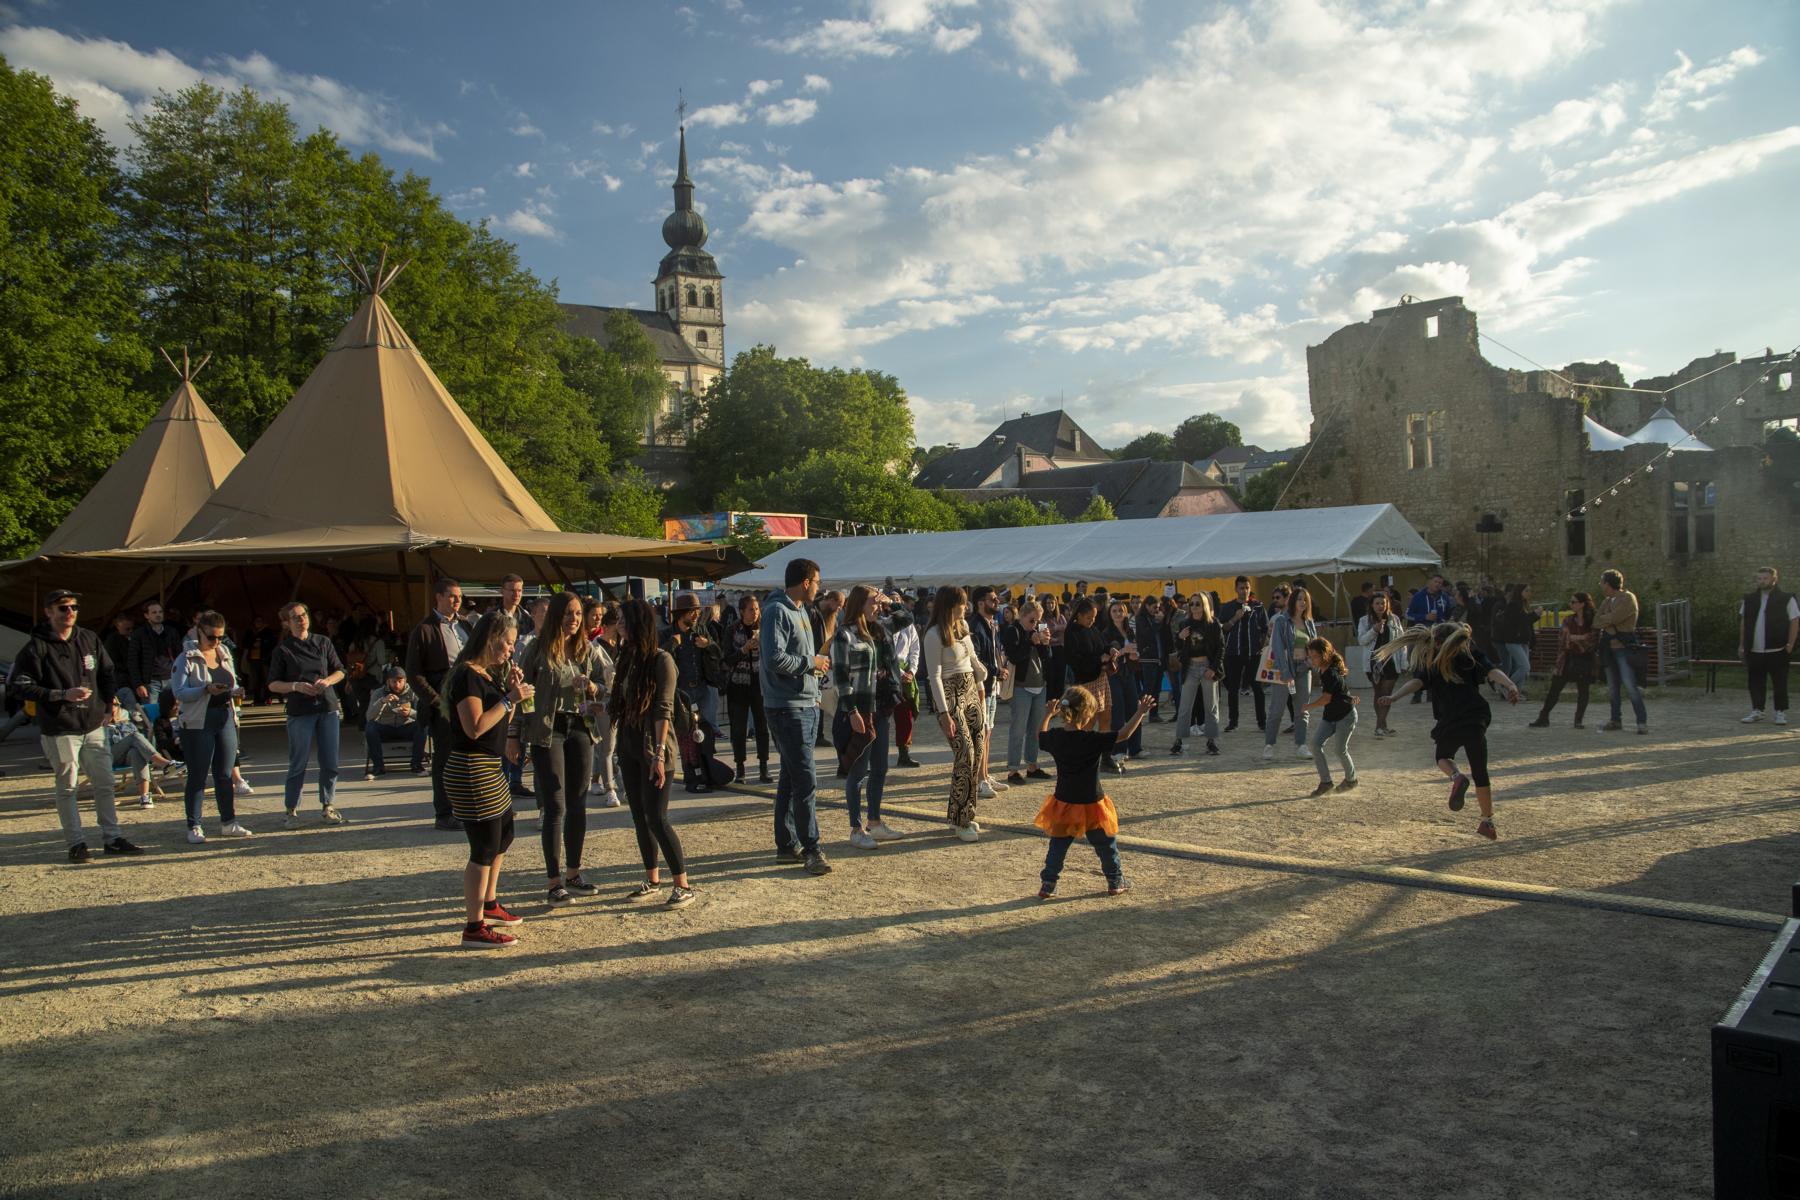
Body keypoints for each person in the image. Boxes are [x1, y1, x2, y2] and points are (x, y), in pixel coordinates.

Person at [10, 590, 144, 861]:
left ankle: (112, 838)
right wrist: (60, 694)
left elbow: (107, 673)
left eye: (74, 607)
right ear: (49, 612)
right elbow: (19, 686)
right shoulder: (37, 647)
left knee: (105, 783)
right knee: (68, 787)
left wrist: (107, 706)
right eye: (63, 608)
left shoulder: (88, 638)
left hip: (93, 725)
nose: (70, 612)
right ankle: (76, 843)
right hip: (60, 728)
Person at [1376, 623, 1522, 840]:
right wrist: (1511, 685)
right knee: (1480, 771)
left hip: (1451, 719)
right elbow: (1492, 671)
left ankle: (1457, 777)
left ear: (1435, 642)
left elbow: (1416, 683)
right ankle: (1487, 821)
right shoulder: (1470, 655)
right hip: (1476, 716)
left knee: (1443, 757)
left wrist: (1394, 697)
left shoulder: (1433, 661)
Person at [443, 611, 533, 948]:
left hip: (488, 767)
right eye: (508, 643)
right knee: (483, 846)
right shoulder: (467, 675)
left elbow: (499, 721)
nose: (511, 650)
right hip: (471, 768)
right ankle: (474, 926)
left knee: (504, 834)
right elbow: (475, 727)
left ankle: (490, 903)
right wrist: (510, 698)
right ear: (491, 638)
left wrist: (510, 693)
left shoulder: (486, 674)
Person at [511, 591, 604, 906]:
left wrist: (592, 687)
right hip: (547, 731)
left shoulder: (586, 649)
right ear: (556, 616)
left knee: (578, 803)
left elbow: (604, 684)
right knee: (555, 806)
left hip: (580, 727)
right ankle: (554, 883)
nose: (574, 619)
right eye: (568, 613)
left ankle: (573, 874)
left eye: (578, 614)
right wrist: (515, 735)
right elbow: (522, 694)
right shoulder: (537, 648)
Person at [609, 599, 699, 905]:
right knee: (640, 817)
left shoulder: (662, 660)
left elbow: (663, 710)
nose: (619, 624)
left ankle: (683, 885)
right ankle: (652, 879)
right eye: (618, 619)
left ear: (639, 622)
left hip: (655, 748)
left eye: (623, 619)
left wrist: (659, 755)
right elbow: (621, 702)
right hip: (629, 744)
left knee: (657, 818)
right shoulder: (627, 657)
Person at [1033, 687, 1154, 900]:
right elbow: (1124, 734)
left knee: (1058, 846)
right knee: (1106, 846)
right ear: (1087, 714)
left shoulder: (1056, 737)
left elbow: (1040, 736)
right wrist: (1140, 712)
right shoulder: (1092, 739)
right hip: (1092, 803)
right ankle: (1115, 881)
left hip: (1064, 802)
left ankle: (1048, 884)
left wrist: (1047, 714)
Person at [761, 558, 834, 875]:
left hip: (804, 702)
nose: (819, 587)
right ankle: (811, 848)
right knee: (805, 779)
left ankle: (786, 844)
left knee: (792, 777)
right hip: (787, 706)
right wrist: (811, 663)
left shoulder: (802, 610)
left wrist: (815, 671)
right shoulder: (777, 611)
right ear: (806, 582)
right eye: (817, 581)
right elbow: (774, 658)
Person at [831, 584, 902, 849]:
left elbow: (904, 618)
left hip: (878, 708)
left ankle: (875, 821)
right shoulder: (844, 635)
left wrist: (890, 602)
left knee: (880, 767)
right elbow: (841, 678)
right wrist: (851, 711)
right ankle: (856, 828)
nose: (878, 606)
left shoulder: (876, 629)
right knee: (858, 771)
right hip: (858, 709)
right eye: (873, 601)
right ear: (859, 603)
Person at [267, 602, 349, 829]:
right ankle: (291, 810)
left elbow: (341, 670)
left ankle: (328, 805)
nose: (301, 619)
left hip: (327, 706)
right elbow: (273, 684)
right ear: (286, 623)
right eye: (295, 617)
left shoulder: (323, 642)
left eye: (303, 615)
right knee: (298, 761)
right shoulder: (283, 650)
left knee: (330, 761)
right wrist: (296, 686)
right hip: (300, 710)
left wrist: (328, 681)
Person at [171, 610, 251, 842]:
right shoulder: (186, 658)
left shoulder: (224, 652)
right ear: (199, 632)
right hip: (197, 721)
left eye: (220, 637)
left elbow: (231, 680)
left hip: (224, 717)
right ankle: (194, 825)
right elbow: (179, 692)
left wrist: (236, 691)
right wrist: (205, 689)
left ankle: (229, 822)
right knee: (198, 774)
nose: (216, 641)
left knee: (225, 774)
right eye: (211, 637)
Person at [407, 577, 474, 830]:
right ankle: (444, 813)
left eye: (459, 596)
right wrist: (436, 701)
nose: (457, 601)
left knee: (468, 755)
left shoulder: (465, 625)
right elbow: (414, 673)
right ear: (439, 597)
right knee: (445, 758)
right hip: (442, 701)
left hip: (468, 696)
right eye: (452, 596)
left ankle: (466, 808)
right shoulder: (424, 629)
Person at [923, 585, 989, 841]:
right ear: (950, 605)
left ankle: (965, 814)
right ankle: (960, 820)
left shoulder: (963, 627)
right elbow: (934, 676)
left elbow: (972, 659)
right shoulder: (933, 634)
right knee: (965, 755)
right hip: (950, 695)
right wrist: (943, 713)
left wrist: (981, 685)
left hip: (971, 689)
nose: (966, 607)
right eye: (962, 603)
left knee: (978, 751)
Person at [1000, 598, 1053, 785]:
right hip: (1020, 686)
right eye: (1032, 620)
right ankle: (1013, 770)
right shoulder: (1013, 630)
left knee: (1035, 730)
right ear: (1022, 616)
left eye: (1038, 620)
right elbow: (1014, 656)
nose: (1035, 624)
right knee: (1018, 729)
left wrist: (1045, 643)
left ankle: (1032, 766)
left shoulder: (1036, 631)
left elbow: (1047, 657)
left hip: (1039, 685)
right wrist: (1030, 641)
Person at [1263, 588, 1318, 761]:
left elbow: (1315, 646)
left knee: (1302, 709)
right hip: (1285, 669)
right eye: (1299, 599)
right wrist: (1286, 672)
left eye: (1305, 599)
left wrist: (1312, 662)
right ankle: (1269, 745)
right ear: (1293, 600)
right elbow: (1278, 648)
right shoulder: (1282, 621)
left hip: (1304, 669)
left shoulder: (1309, 622)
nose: (1303, 602)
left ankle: (1301, 745)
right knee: (1277, 709)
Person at [1530, 593, 1599, 728]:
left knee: (1583, 690)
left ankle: (1578, 720)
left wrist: (1575, 638)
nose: (1571, 604)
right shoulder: (1568, 620)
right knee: (1555, 688)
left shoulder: (1592, 621)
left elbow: (1592, 640)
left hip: (1585, 659)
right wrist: (1581, 638)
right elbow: (1564, 639)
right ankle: (1543, 717)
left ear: (1582, 604)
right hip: (1567, 659)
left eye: (1573, 602)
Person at [1168, 592, 1224, 756]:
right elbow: (1179, 647)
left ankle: (1211, 741)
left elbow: (1221, 648)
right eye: (1191, 603)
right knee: (1185, 706)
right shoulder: (1185, 623)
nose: (1194, 607)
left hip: (1207, 666)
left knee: (1211, 706)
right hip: (1190, 667)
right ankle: (1179, 740)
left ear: (1204, 605)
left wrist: (1213, 668)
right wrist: (1180, 637)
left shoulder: (1213, 623)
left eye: (1197, 604)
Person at [1301, 637, 1359, 797]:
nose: (1312, 660)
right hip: (1331, 715)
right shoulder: (1324, 670)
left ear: (1324, 655)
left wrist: (1308, 706)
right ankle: (1326, 782)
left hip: (1345, 716)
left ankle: (1351, 780)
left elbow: (1326, 698)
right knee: (1315, 745)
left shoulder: (1330, 673)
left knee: (1340, 750)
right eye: (1310, 656)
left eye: (1315, 656)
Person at [723, 593, 771, 784]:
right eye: (751, 609)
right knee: (738, 729)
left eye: (757, 609)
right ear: (742, 611)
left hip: (760, 683)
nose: (755, 613)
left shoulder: (765, 628)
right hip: (738, 684)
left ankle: (764, 767)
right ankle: (740, 767)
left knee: (762, 727)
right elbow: (727, 659)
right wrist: (744, 649)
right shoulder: (732, 630)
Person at [1740, 566, 1797, 725]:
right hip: (1754, 649)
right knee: (1755, 681)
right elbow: (1743, 622)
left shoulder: (1786, 598)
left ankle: (1780, 712)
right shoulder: (1749, 599)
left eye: (1765, 578)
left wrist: (1790, 644)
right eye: (1759, 578)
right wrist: (1742, 645)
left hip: (1778, 649)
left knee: (1779, 682)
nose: (1762, 581)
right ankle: (1757, 710)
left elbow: (1794, 621)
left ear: (1774, 579)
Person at [1594, 568, 1648, 734]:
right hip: (1608, 649)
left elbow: (1615, 618)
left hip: (1624, 649)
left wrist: (1607, 621)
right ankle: (1615, 720)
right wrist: (1608, 621)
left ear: (1608, 583)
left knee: (1630, 686)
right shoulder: (1606, 602)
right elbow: (1596, 621)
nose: (1600, 585)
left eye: (1602, 582)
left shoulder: (1627, 598)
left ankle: (1641, 722)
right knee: (1613, 688)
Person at [665, 592, 725, 733]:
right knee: (683, 731)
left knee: (707, 729)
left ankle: (706, 748)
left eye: (698, 611)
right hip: (680, 690)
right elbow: (659, 657)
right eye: (692, 612)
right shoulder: (667, 633)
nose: (697, 615)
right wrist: (672, 643)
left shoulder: (701, 629)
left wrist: (708, 644)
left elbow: (718, 653)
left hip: (702, 687)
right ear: (681, 614)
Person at [968, 585, 1008, 796]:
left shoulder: (992, 624)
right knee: (981, 733)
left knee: (988, 732)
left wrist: (998, 669)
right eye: (992, 599)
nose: (997, 602)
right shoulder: (975, 625)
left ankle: (985, 773)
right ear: (980, 603)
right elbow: (975, 659)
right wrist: (996, 670)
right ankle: (980, 779)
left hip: (991, 685)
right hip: (980, 686)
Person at [1216, 576, 1268, 733]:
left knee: (1257, 688)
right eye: (1241, 588)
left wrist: (1262, 644)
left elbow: (1265, 628)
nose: (1244, 591)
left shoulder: (1258, 607)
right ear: (1236, 589)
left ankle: (1262, 721)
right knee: (1233, 689)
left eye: (1247, 588)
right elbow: (1222, 628)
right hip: (1234, 652)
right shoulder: (1228, 607)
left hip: (1253, 653)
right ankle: (1233, 721)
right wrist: (1235, 618)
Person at [105, 696, 174, 808]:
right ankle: (164, 763)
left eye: (116, 704)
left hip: (126, 757)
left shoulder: (126, 721)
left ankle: (144, 797)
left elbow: (138, 744)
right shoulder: (96, 723)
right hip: (108, 757)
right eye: (110, 704)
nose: (113, 707)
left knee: (136, 752)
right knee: (135, 736)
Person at [363, 664, 428, 777]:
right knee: (370, 727)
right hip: (385, 727)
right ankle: (378, 766)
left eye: (400, 681)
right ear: (388, 681)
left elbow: (424, 716)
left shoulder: (413, 692)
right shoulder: (378, 693)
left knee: (422, 726)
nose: (397, 685)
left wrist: (410, 713)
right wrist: (382, 702)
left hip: (406, 726)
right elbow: (369, 717)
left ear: (405, 681)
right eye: (394, 681)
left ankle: (416, 764)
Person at [587, 600, 622, 807]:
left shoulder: (623, 645)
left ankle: (608, 780)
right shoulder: (594, 647)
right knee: (606, 747)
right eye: (618, 624)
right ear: (608, 626)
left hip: (621, 698)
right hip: (602, 699)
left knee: (614, 747)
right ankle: (610, 789)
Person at [1101, 600, 1144, 766]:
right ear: (1110, 614)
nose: (1118, 613)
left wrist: (1134, 654)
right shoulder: (1106, 633)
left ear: (1125, 613)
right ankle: (1119, 750)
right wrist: (1124, 651)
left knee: (1134, 709)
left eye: (1120, 610)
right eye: (1114, 611)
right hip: (1113, 675)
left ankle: (1135, 748)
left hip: (1129, 673)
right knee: (1117, 712)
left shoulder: (1129, 631)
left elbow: (1134, 652)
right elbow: (1106, 655)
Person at [1357, 591, 1406, 737]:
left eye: (1383, 603)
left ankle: (1380, 726)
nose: (1380, 606)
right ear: (1372, 605)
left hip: (1391, 661)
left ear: (1387, 604)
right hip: (1374, 663)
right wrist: (1374, 630)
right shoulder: (1364, 621)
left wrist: (1404, 662)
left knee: (1387, 694)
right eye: (1377, 603)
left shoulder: (1394, 619)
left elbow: (1401, 641)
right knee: (1378, 693)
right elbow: (1362, 640)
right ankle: (1382, 726)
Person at [125, 600, 183, 722]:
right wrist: (138, 684)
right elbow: (132, 661)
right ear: (146, 615)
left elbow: (180, 655)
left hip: (171, 677)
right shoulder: (139, 634)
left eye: (160, 612)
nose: (158, 615)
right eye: (154, 612)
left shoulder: (171, 632)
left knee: (174, 714)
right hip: (150, 681)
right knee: (151, 718)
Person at [890, 600, 923, 769]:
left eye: (897, 600)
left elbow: (915, 648)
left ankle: (904, 754)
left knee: (905, 716)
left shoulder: (908, 625)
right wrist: (901, 672)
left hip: (905, 674)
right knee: (877, 718)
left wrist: (912, 671)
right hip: (886, 673)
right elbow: (887, 654)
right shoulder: (882, 623)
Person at [1492, 583, 1539, 696]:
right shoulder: (1514, 605)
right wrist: (1535, 614)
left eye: (1530, 591)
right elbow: (1522, 621)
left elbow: (1527, 624)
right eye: (1526, 591)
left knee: (1522, 668)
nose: (1529, 593)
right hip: (1514, 641)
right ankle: (1506, 686)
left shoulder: (1524, 605)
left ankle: (1516, 692)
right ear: (1520, 592)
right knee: (1525, 667)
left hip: (1523, 640)